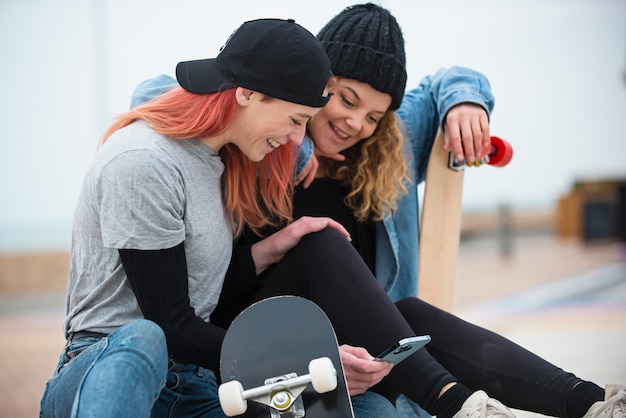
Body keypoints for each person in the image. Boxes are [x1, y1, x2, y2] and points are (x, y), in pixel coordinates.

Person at [130, 6, 626, 418]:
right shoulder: (253, 140)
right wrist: (295, 143)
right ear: (307, 85)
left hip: (365, 356)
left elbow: (452, 81)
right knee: (321, 240)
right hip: (264, 347)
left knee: (407, 311)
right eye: (344, 100)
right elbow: (155, 94)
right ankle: (455, 404)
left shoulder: (382, 149)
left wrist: (466, 103)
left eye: (373, 115)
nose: (355, 123)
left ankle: (591, 404)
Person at [39, 18, 341, 418]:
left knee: (353, 408)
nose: (297, 139)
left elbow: (196, 292)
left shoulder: (220, 162)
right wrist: (295, 361)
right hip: (107, 367)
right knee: (145, 339)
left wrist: (277, 247)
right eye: (296, 119)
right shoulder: (145, 160)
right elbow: (172, 326)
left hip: (189, 382)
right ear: (248, 93)